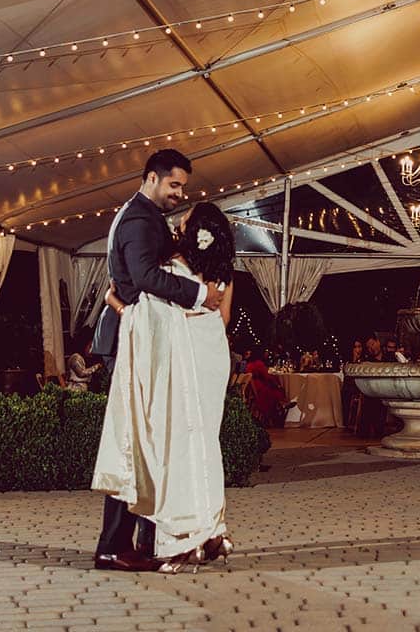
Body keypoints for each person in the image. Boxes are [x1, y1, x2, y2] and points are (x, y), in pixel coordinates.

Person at [90, 151, 225, 573]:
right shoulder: (137, 220)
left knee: (150, 442)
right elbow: (146, 278)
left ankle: (149, 540)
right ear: (152, 178)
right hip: (138, 342)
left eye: (182, 187)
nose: (178, 194)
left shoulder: (145, 216)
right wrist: (201, 296)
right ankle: (113, 546)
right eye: (174, 185)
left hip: (150, 338)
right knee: (136, 442)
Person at [247, 347, 294, 426]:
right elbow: (267, 376)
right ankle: (282, 403)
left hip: (252, 386)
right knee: (275, 390)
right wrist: (277, 383)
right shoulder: (258, 363)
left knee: (274, 389)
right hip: (258, 387)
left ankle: (282, 403)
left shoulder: (250, 363)